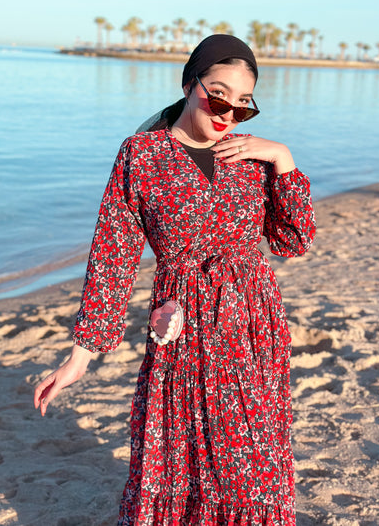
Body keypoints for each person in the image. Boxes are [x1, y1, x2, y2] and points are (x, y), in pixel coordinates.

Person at [34, 34, 316, 525]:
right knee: (180, 457)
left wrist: (284, 159)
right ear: (189, 85)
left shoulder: (254, 157)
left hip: (252, 325)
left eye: (244, 103)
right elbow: (112, 256)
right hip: (181, 325)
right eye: (217, 92)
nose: (229, 109)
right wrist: (80, 356)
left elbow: (294, 241)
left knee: (253, 459)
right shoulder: (141, 156)